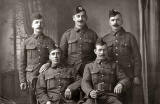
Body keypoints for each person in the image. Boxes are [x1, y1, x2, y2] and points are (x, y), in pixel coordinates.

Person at [102, 9, 142, 104]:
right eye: (112, 20)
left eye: (118, 20)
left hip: (128, 75)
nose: (115, 22)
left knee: (128, 100)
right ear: (109, 22)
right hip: (112, 76)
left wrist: (136, 75)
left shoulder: (130, 37)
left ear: (122, 21)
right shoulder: (105, 39)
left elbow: (137, 58)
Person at [18, 13, 55, 104]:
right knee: (32, 101)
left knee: (46, 100)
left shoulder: (49, 41)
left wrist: (48, 63)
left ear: (44, 25)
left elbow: (54, 56)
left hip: (46, 76)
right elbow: (22, 63)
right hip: (31, 77)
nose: (39, 24)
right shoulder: (26, 42)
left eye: (41, 22)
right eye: (36, 22)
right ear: (32, 25)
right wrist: (22, 80)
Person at [81, 38, 130, 104]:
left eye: (104, 50)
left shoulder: (114, 65)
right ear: (95, 51)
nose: (102, 53)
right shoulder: (89, 66)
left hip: (109, 97)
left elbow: (125, 79)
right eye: (100, 50)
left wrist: (121, 84)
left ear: (107, 50)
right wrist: (90, 92)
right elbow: (85, 82)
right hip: (93, 97)